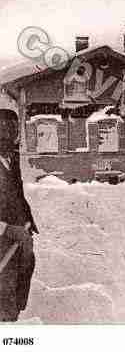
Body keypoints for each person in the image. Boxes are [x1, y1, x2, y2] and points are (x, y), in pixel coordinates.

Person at [0, 109, 38, 322]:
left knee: (20, 279)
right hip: (3, 238)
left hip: (19, 236)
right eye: (2, 129)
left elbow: (16, 193)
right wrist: (8, 229)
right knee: (4, 293)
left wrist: (26, 220)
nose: (9, 134)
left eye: (13, 129)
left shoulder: (12, 159)